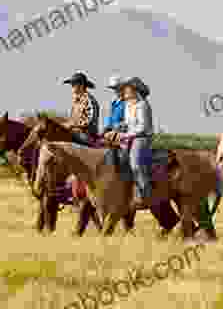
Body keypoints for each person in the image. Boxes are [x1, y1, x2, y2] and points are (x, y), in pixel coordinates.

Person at [104, 76, 155, 210]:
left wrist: (125, 135)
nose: (125, 91)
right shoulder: (128, 105)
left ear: (134, 90)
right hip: (129, 137)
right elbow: (128, 123)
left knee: (135, 163)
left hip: (142, 138)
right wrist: (118, 127)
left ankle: (145, 192)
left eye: (127, 88)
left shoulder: (142, 105)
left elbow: (143, 127)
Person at [62, 72, 100, 146]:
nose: (72, 87)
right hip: (75, 132)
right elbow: (72, 119)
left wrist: (72, 125)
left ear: (81, 86)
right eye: (72, 85)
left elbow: (90, 120)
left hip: (86, 135)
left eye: (73, 84)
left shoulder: (89, 100)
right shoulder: (76, 101)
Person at [103, 75, 126, 167]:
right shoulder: (114, 103)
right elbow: (110, 121)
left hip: (122, 133)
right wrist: (105, 128)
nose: (115, 90)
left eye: (117, 88)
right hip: (112, 132)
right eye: (114, 88)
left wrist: (119, 126)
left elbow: (129, 122)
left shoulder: (127, 102)